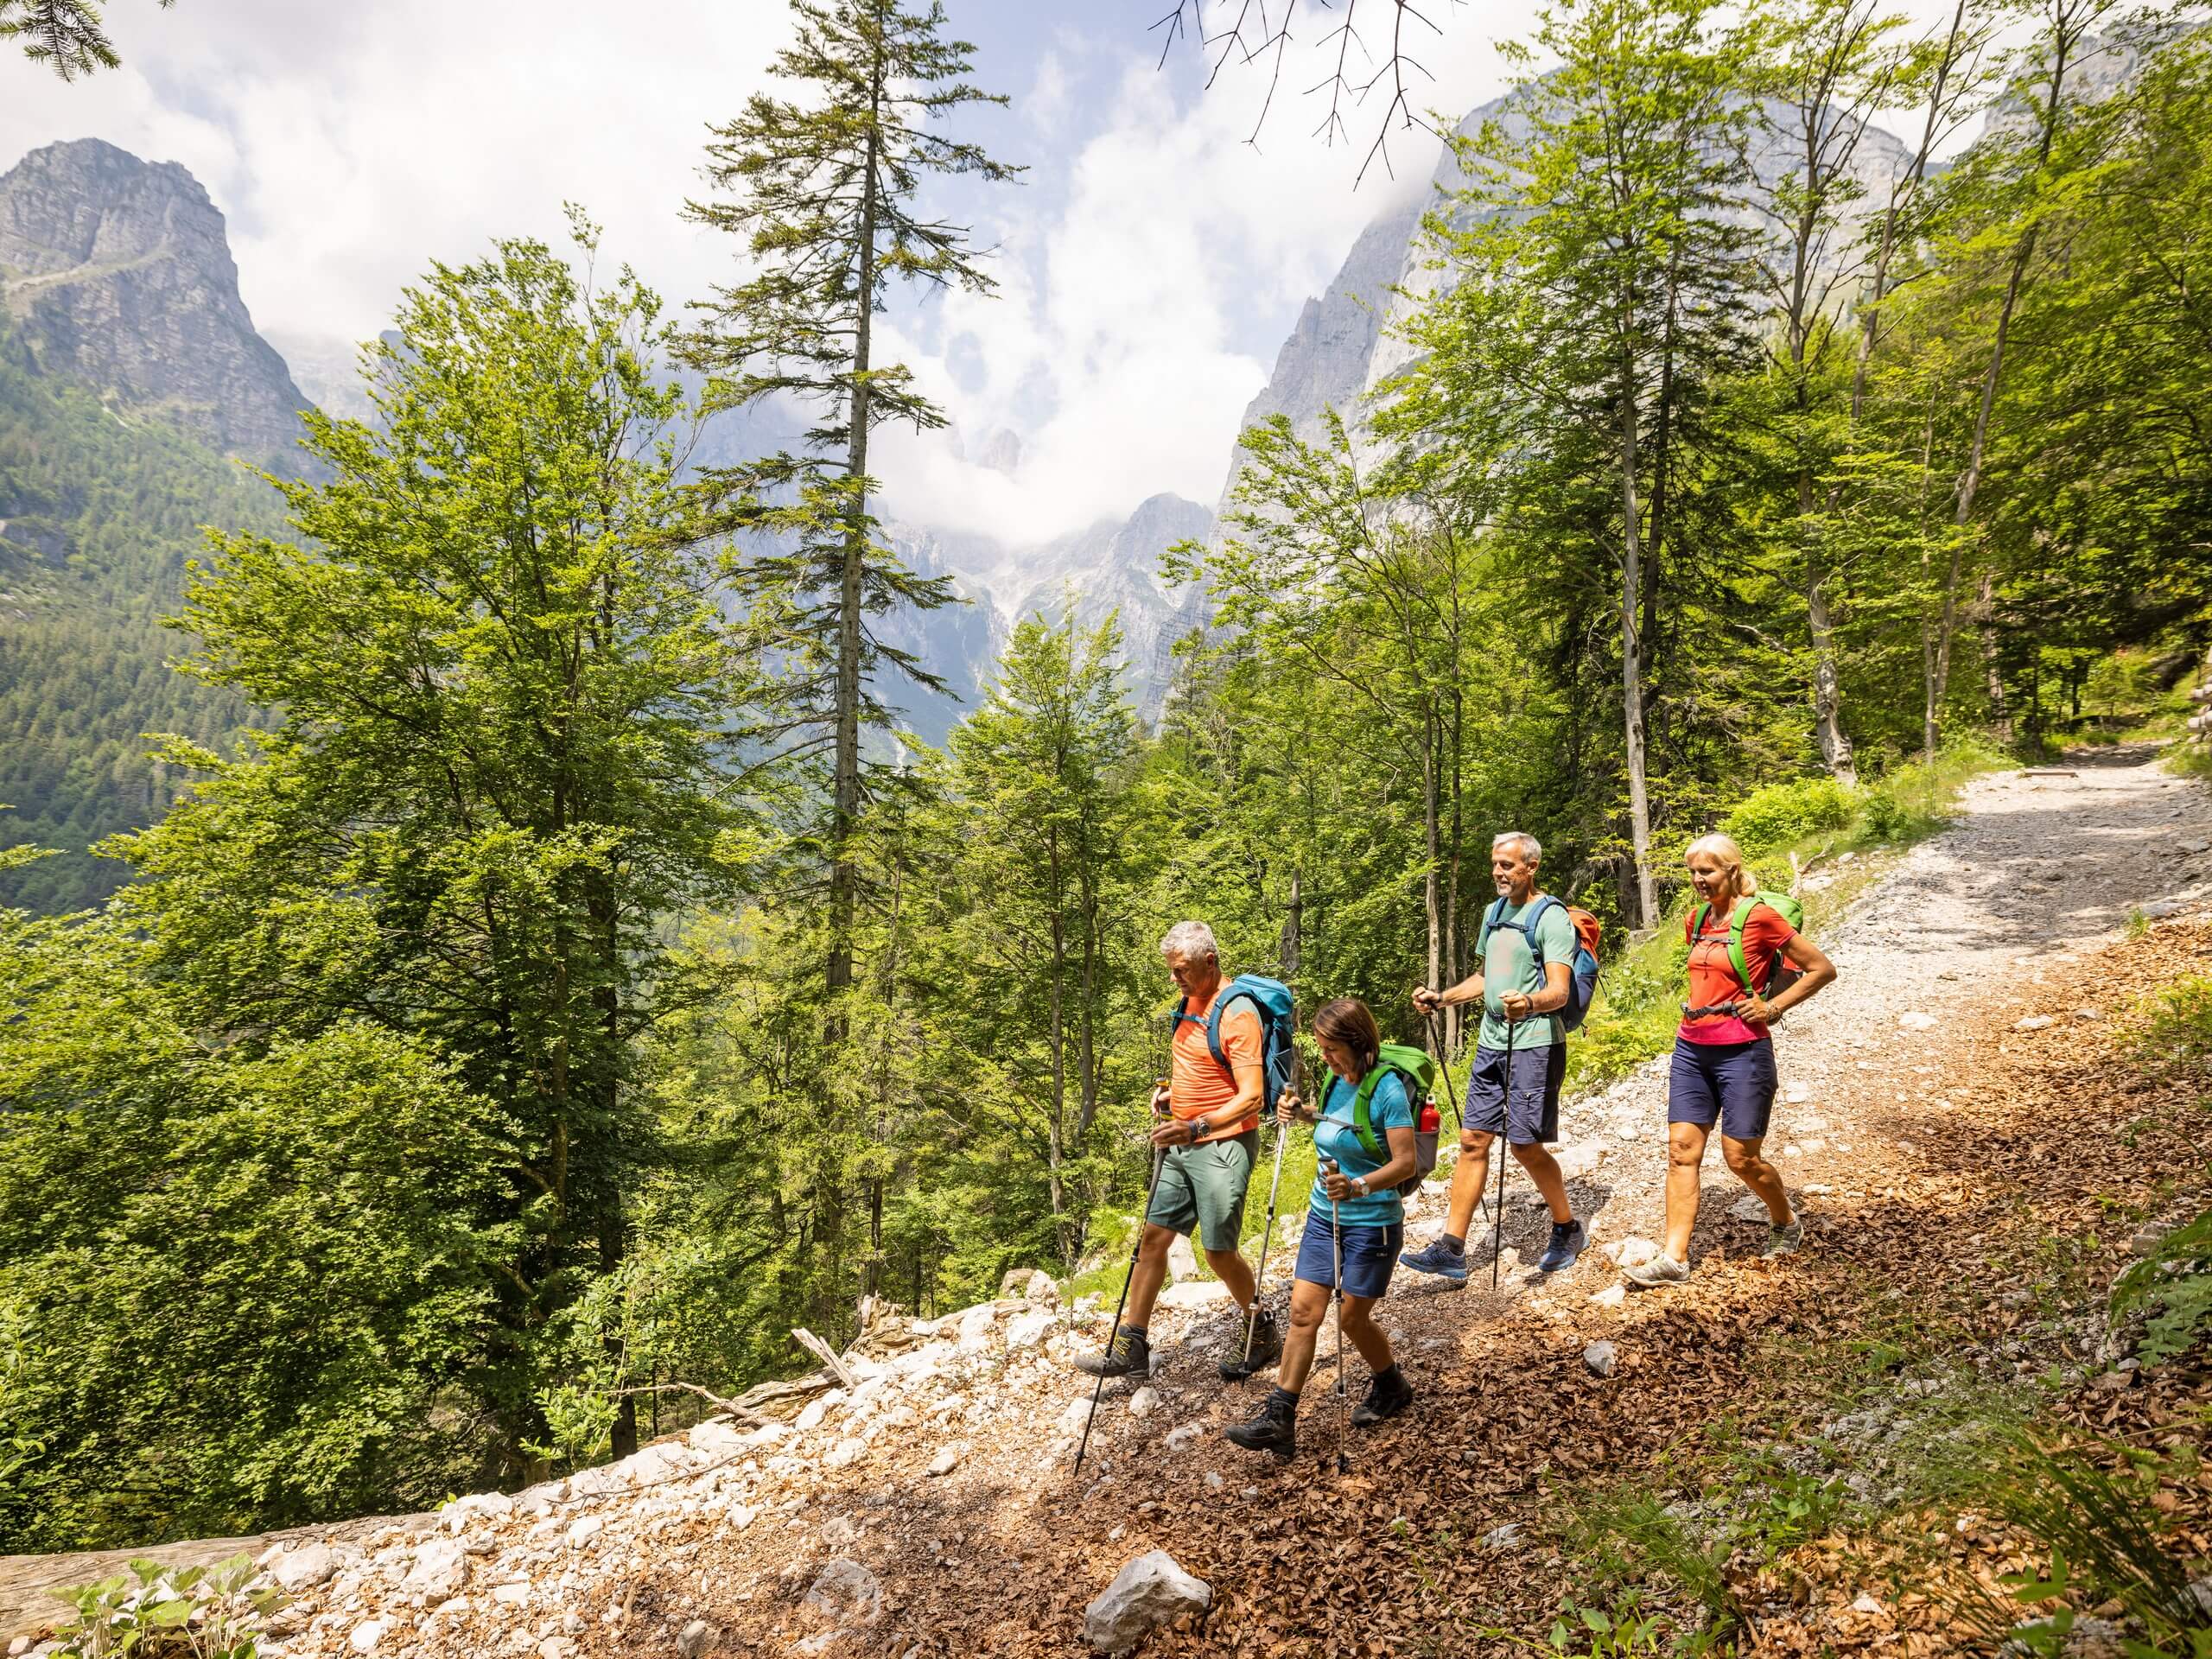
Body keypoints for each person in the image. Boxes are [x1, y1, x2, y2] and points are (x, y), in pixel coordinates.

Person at [1623, 832, 1838, 1289]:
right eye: (1694, 872)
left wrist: (1772, 1007)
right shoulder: (1697, 918)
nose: (1699, 880)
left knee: (1741, 1158)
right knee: (1681, 1152)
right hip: (1691, 1047)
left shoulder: (1759, 916)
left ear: (1732, 871)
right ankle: (1674, 1258)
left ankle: (1785, 1222)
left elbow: (1822, 969)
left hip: (1744, 1050)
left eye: (1708, 871)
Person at [1076, 920, 1281, 1382]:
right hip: (1182, 1138)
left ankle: (1261, 1329)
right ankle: (1132, 1345)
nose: (1175, 979)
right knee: (1153, 1239)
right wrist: (1172, 1093)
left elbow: (1252, 1096)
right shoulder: (1190, 1002)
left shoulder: (1237, 1014)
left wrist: (1197, 1125)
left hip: (1221, 1143)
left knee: (1217, 1253)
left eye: (1183, 970)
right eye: (1171, 970)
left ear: (1210, 962)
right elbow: (1201, 1065)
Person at [1226, 997, 1416, 1458]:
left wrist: (1358, 1186)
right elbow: (1336, 1125)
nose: (1325, 1057)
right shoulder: (1336, 1081)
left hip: (1373, 1223)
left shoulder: (1387, 1089)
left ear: (1356, 1042)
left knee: (1351, 1318)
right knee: (1303, 1314)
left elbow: (1405, 1163)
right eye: (1322, 1048)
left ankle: (1391, 1385)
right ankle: (1280, 1417)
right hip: (1322, 1217)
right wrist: (1303, 1113)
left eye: (1332, 1048)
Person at [1402, 831, 1587, 1281]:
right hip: (1491, 1043)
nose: (1498, 873)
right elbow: (1485, 977)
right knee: (1472, 1140)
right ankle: (1452, 1247)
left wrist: (1528, 1002)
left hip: (1535, 1043)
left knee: (1524, 1144)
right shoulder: (1494, 912)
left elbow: (1559, 992)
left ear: (1531, 867)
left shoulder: (1552, 917)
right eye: (1495, 864)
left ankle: (1566, 1227)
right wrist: (1442, 997)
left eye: (1507, 865)